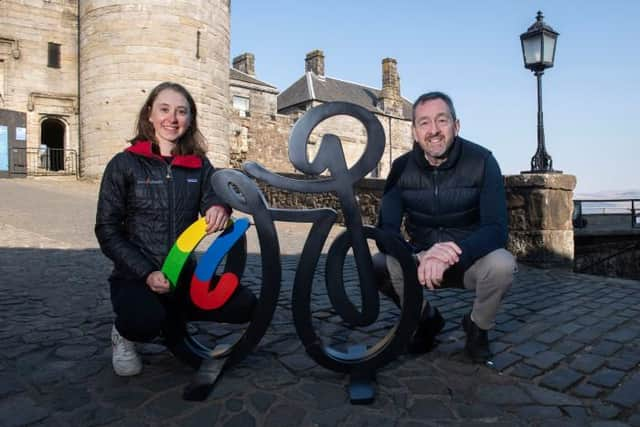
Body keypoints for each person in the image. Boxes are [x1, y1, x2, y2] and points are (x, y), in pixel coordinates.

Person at [95, 82, 256, 376]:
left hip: (183, 275)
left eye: (181, 111)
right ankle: (124, 334)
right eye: (165, 109)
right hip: (136, 275)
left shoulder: (199, 165)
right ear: (150, 115)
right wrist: (146, 272)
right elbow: (107, 229)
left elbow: (215, 191)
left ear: (190, 119)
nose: (172, 118)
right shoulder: (124, 164)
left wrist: (219, 206)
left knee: (244, 304)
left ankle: (170, 316)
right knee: (143, 320)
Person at [375, 91, 516, 363]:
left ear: (456, 125)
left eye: (442, 120)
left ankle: (478, 327)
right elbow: (386, 231)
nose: (434, 130)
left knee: (503, 264)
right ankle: (425, 318)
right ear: (414, 131)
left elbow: (496, 229)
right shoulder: (401, 168)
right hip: (422, 261)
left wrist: (450, 252)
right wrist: (421, 255)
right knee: (378, 264)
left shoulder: (483, 161)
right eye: (424, 123)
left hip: (469, 260)